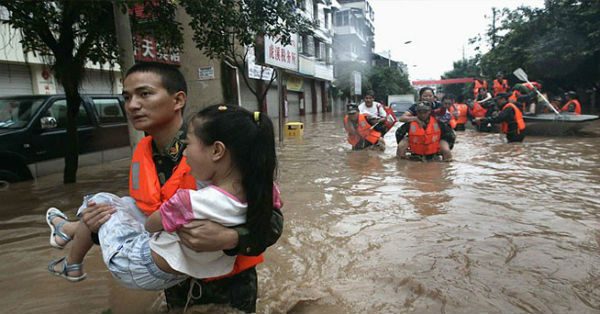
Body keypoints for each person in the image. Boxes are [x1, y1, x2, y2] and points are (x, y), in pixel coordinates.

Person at [46, 62, 283, 312]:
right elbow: (146, 220)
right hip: (173, 280)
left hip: (227, 288)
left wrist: (232, 238)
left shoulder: (214, 145)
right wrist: (96, 225)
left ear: (178, 99)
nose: (132, 105)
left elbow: (272, 218)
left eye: (144, 94)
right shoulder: (143, 152)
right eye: (127, 97)